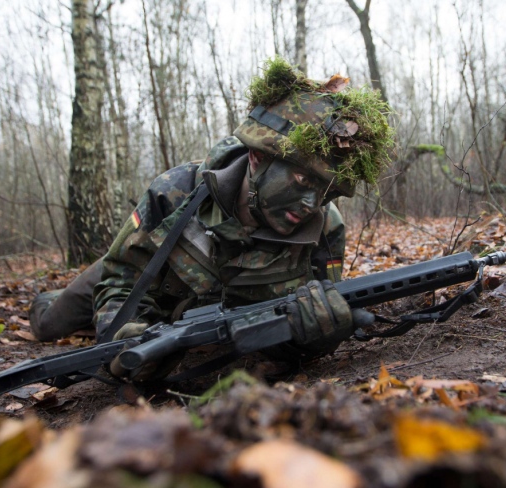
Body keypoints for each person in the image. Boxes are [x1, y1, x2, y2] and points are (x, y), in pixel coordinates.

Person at [29, 57, 394, 381]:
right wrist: (125, 332)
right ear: (257, 158)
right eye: (302, 179)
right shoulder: (173, 193)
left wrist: (318, 339)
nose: (313, 203)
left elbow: (313, 313)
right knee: (51, 325)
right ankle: (51, 298)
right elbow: (120, 282)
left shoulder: (326, 229)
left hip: (212, 313)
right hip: (148, 272)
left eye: (327, 190)